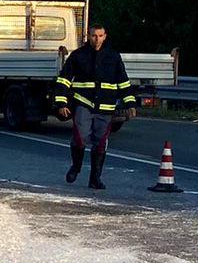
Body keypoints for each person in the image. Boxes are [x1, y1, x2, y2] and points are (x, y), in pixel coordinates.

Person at [53, 24, 137, 190]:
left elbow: (123, 82)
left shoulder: (113, 56)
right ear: (88, 36)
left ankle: (95, 178)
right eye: (93, 36)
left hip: (106, 107)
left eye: (100, 36)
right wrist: (61, 103)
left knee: (100, 143)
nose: (97, 39)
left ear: (105, 36)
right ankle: (76, 167)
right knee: (80, 138)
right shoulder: (78, 55)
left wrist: (130, 104)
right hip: (83, 103)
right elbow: (64, 79)